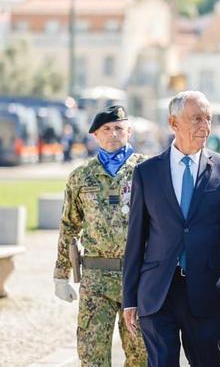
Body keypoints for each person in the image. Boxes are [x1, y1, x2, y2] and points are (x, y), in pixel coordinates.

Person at [122, 91, 220, 366]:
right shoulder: (147, 173)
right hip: (158, 292)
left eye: (208, 119)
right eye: (196, 119)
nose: (205, 127)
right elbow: (136, 239)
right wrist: (130, 298)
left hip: (207, 291)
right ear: (173, 122)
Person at [53, 105, 148, 366]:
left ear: (129, 131)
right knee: (92, 354)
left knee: (142, 355)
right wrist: (61, 275)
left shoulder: (148, 170)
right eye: (106, 129)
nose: (113, 133)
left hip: (138, 277)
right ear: (95, 135)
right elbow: (69, 226)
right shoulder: (81, 177)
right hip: (96, 279)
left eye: (119, 128)